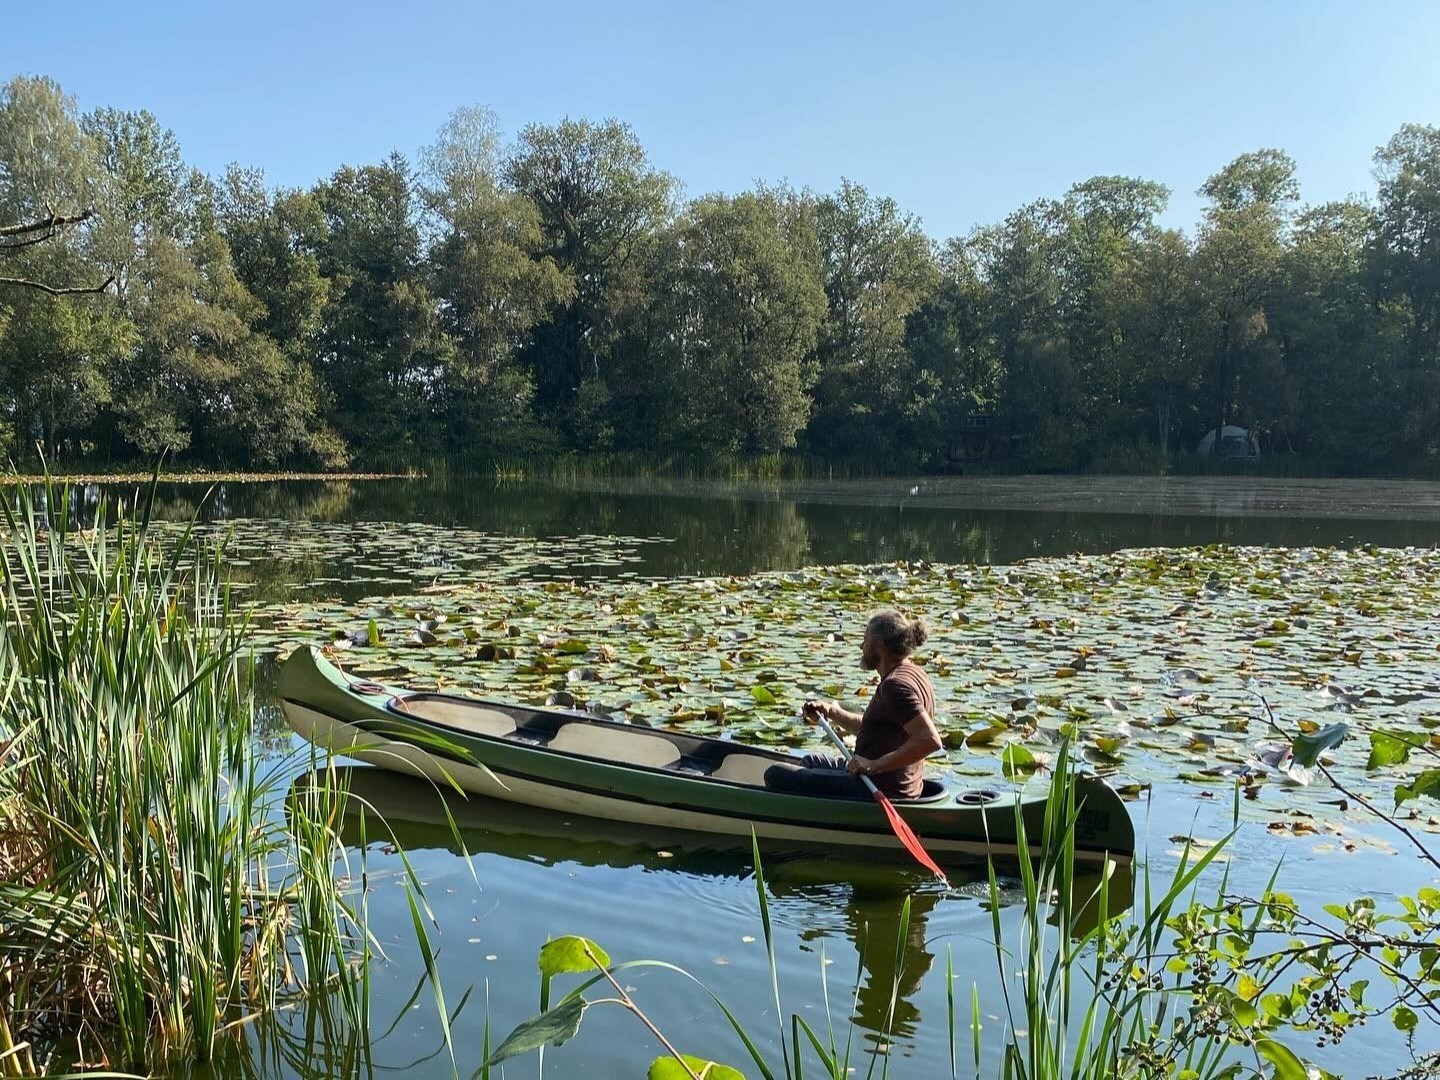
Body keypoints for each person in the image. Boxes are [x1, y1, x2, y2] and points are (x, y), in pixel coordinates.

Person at [765, 610, 942, 800]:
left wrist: (874, 766)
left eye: (865, 640)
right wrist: (832, 712)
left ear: (879, 645)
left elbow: (930, 740)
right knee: (811, 761)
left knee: (775, 774)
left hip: (877, 788)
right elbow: (876, 731)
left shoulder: (895, 686)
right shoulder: (915, 673)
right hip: (882, 781)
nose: (861, 646)